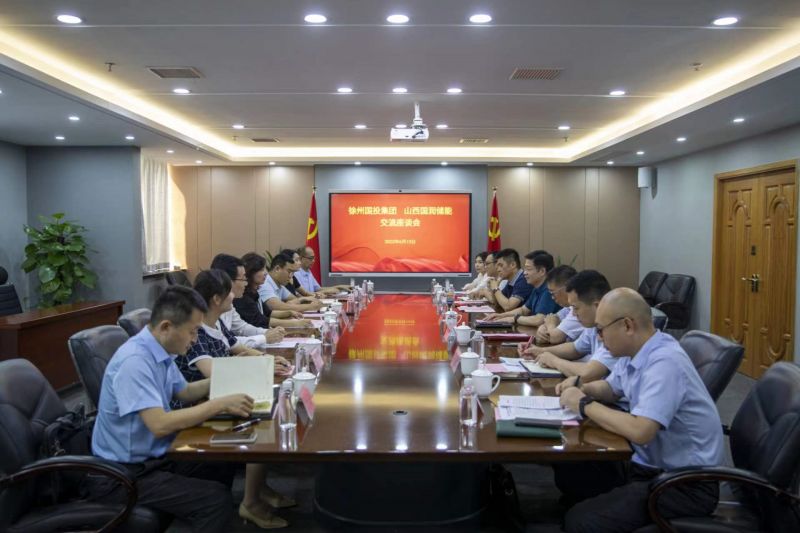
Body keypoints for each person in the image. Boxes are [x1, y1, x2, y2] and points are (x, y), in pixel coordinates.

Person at [88, 286, 254, 532]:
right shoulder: (135, 361)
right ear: (166, 327)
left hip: (156, 457)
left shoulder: (160, 350)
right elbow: (160, 424)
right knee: (214, 500)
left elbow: (184, 392)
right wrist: (219, 404)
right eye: (192, 331)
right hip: (123, 475)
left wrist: (228, 377)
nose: (195, 339)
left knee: (222, 459)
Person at [557, 288, 722, 532]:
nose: (599, 338)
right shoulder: (634, 351)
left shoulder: (664, 362)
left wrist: (583, 404)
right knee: (575, 467)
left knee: (580, 521)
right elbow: (612, 389)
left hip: (684, 484)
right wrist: (583, 388)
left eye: (601, 330)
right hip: (648, 465)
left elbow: (641, 431)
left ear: (627, 325)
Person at [174, 269, 293, 529]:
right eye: (229, 290)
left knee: (269, 406)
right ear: (217, 298)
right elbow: (213, 372)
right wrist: (255, 368)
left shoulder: (217, 324)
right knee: (262, 419)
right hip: (199, 406)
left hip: (215, 396)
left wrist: (266, 361)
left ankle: (258, 489)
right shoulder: (196, 330)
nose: (235, 293)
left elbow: (238, 349)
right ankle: (250, 501)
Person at [522, 270, 617, 386]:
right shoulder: (593, 325)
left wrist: (554, 361)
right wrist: (539, 351)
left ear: (597, 306)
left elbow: (588, 373)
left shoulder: (616, 331)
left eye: (576, 308)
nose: (573, 314)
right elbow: (575, 349)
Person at [210, 253, 285, 348]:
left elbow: (241, 327)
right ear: (228, 280)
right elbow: (225, 342)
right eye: (243, 278)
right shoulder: (211, 307)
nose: (246, 283)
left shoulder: (229, 303)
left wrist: (268, 332)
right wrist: (264, 338)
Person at [235, 252, 313, 329]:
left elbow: (268, 312)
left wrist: (289, 313)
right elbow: (260, 320)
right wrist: (295, 323)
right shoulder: (243, 295)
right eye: (261, 270)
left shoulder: (255, 291)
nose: (265, 273)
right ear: (250, 272)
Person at [485, 251, 559, 325]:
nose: (524, 273)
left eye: (528, 269)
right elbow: (523, 310)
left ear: (542, 271)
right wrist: (501, 315)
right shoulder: (537, 287)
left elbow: (539, 319)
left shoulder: (549, 289)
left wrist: (514, 319)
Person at [534, 265, 582, 345]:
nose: (552, 297)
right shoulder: (569, 308)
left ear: (567, 288)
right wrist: (541, 329)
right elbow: (551, 318)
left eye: (553, 293)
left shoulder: (579, 309)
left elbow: (554, 337)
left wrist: (550, 325)